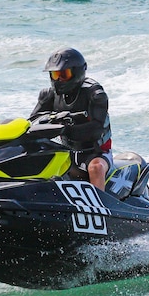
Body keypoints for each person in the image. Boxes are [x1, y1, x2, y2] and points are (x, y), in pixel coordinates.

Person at [31, 47, 112, 191]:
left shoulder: (95, 94)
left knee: (96, 168)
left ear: (77, 72)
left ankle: (99, 208)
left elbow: (96, 129)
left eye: (64, 74)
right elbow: (32, 122)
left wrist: (66, 129)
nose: (59, 80)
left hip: (96, 153)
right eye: (55, 75)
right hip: (67, 152)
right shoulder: (49, 95)